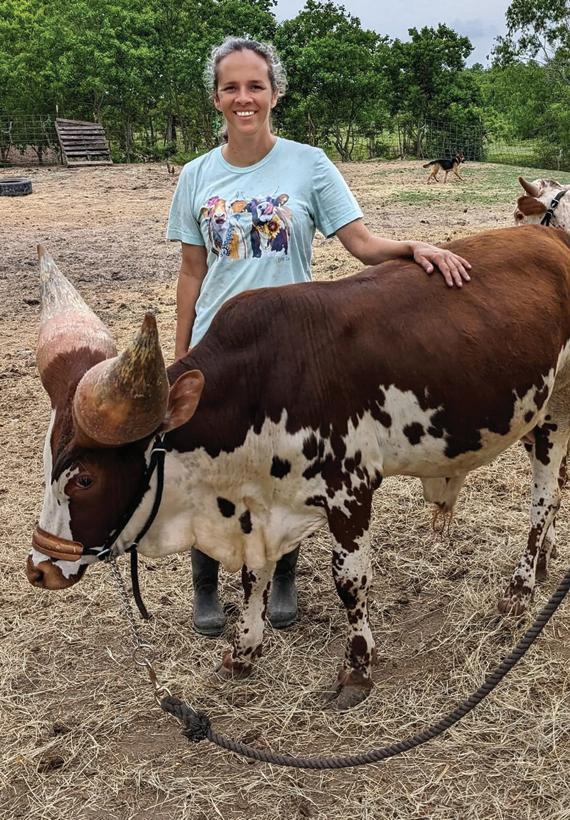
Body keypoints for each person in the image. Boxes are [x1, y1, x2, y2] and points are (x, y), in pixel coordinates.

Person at [166, 36, 471, 637]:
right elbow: (192, 271)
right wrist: (183, 354)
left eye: (256, 86)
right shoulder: (197, 175)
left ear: (274, 93)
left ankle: (282, 575)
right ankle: (206, 583)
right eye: (232, 87)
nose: (244, 98)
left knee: (285, 469)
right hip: (219, 352)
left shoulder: (309, 164)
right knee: (208, 467)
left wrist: (413, 248)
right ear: (216, 98)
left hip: (292, 352)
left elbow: (361, 243)